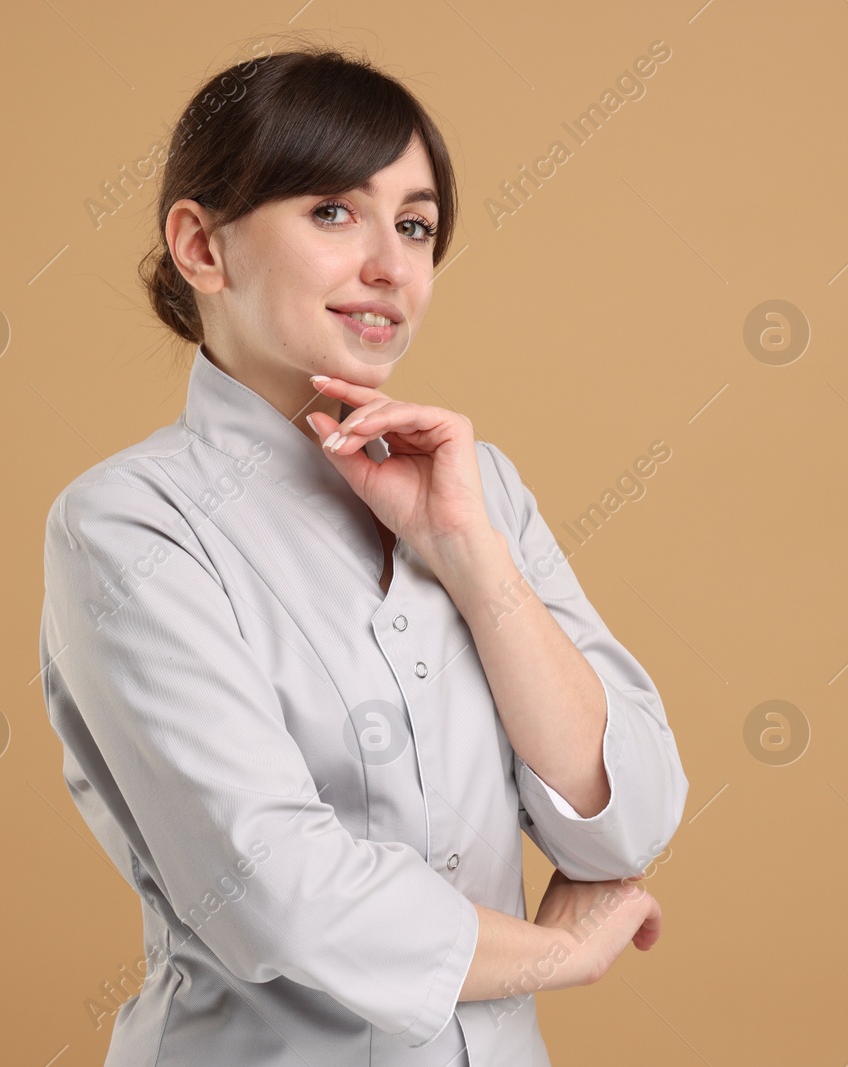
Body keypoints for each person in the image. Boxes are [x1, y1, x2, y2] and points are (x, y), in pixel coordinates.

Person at [38, 39, 690, 1066]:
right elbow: (273, 887)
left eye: (417, 225)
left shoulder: (481, 492)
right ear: (201, 248)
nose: (390, 266)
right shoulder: (128, 522)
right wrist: (553, 956)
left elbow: (625, 820)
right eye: (333, 212)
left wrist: (472, 558)